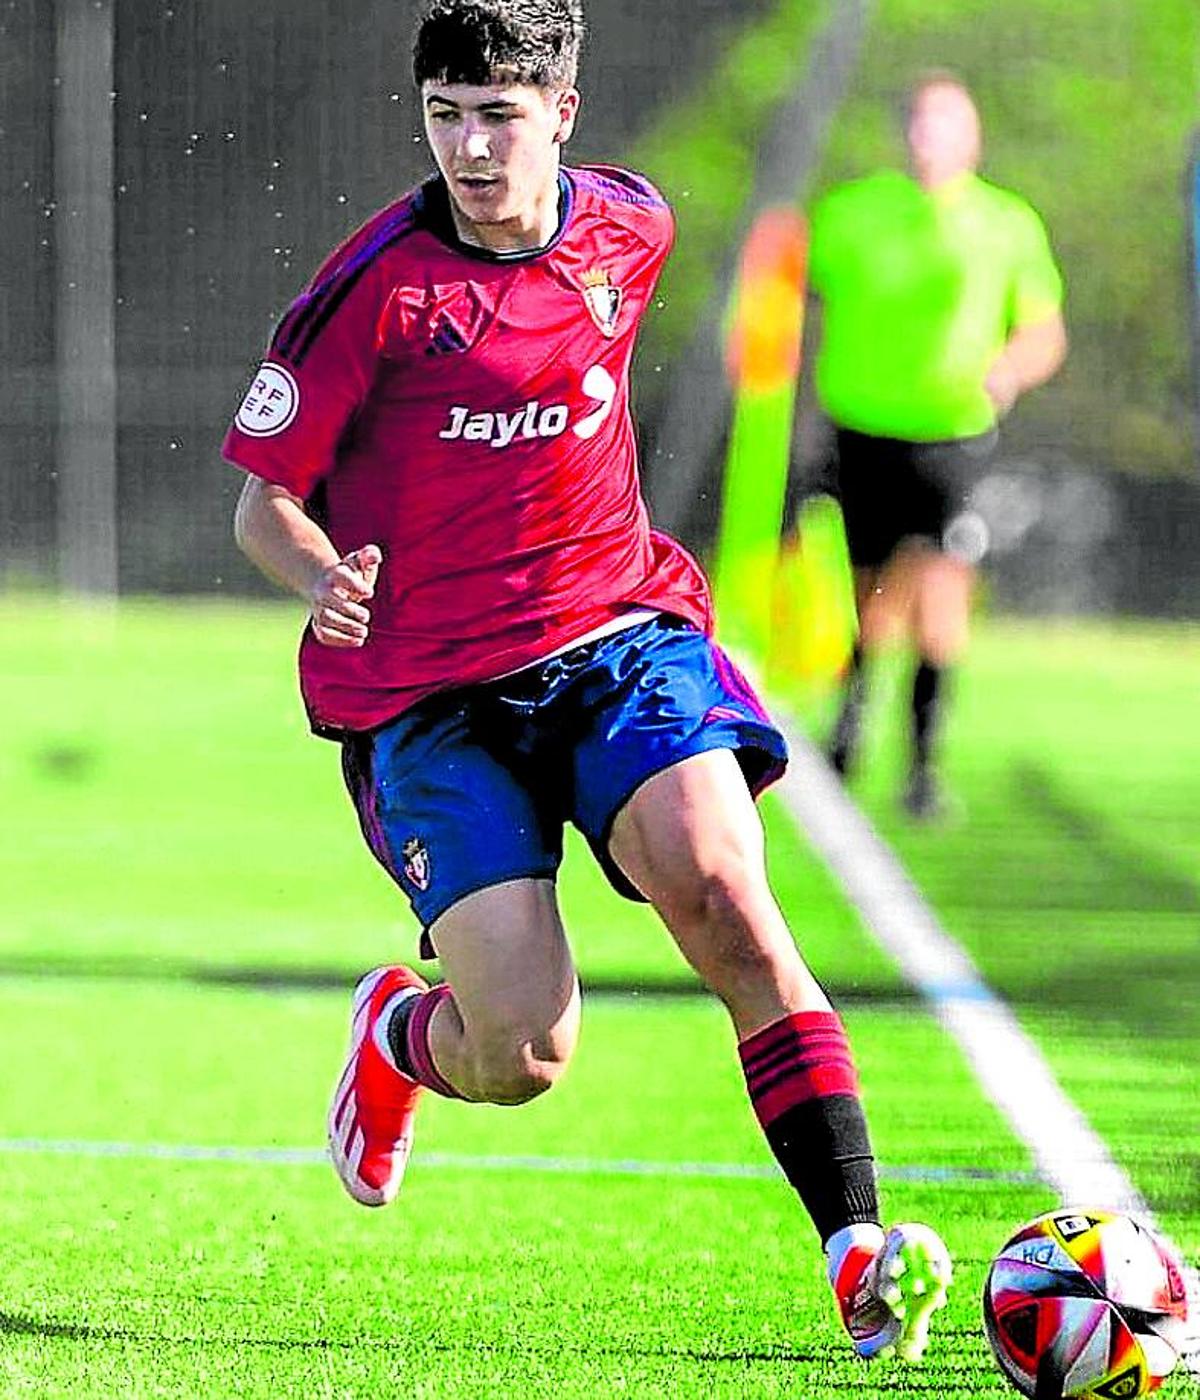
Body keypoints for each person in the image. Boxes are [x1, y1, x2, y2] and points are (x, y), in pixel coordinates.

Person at [225, 0, 951, 1363]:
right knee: (525, 1054)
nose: (471, 146)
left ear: (562, 110)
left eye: (498, 114)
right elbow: (261, 501)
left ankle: (854, 1243)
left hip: (618, 638)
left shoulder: (633, 226)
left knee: (725, 891)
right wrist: (318, 567)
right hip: (432, 701)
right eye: (446, 115)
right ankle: (401, 1036)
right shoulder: (374, 289)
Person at [807, 72, 1067, 817]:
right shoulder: (851, 215)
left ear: (972, 137)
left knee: (942, 583)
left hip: (953, 433)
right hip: (859, 426)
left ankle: (923, 761)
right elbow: (789, 295)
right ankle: (850, 722)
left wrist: (1010, 368)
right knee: (868, 591)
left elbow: (1043, 330)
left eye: (944, 126)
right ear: (902, 134)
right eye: (918, 125)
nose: (929, 140)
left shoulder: (1006, 223)